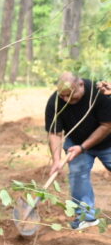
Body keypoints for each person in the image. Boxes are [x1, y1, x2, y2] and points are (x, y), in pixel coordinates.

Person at [45, 72, 111, 230]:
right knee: (78, 174)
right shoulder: (55, 102)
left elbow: (107, 125)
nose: (67, 100)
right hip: (76, 143)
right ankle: (86, 218)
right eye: (63, 96)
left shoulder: (98, 94)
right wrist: (56, 160)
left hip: (108, 142)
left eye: (71, 95)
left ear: (81, 84)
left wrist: (83, 147)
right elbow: (54, 132)